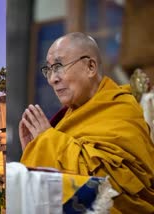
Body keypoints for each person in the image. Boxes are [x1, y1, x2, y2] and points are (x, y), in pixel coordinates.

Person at [19, 32, 154, 213]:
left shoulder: (121, 108)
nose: (52, 79)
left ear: (90, 67)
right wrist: (35, 148)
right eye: (48, 70)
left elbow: (111, 187)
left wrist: (47, 142)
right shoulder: (69, 116)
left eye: (58, 66)